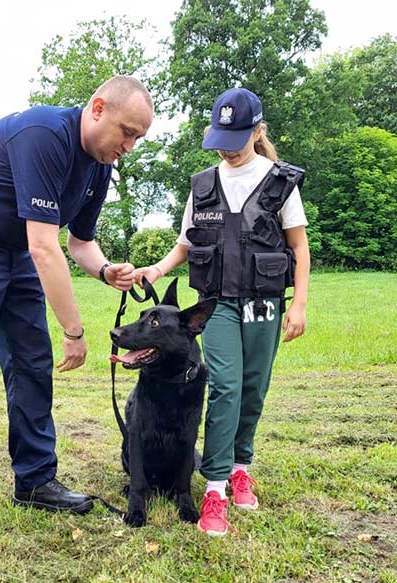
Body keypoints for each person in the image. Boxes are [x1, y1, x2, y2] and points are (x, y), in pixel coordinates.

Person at [0, 75, 154, 549]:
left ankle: (35, 480)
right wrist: (74, 331)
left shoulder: (98, 166)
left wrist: (104, 271)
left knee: (32, 363)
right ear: (97, 108)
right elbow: (45, 246)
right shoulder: (43, 134)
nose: (130, 145)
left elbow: (79, 242)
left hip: (13, 249)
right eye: (127, 131)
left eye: (139, 137)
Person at [135, 88, 309, 536]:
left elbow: (299, 247)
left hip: (264, 303)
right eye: (220, 139)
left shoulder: (279, 182)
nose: (225, 149)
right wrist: (155, 270)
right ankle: (213, 488)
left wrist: (300, 304)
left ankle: (239, 466)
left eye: (234, 138)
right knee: (226, 387)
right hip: (217, 306)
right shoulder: (203, 185)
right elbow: (185, 244)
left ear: (256, 131)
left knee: (253, 389)